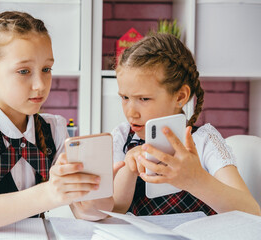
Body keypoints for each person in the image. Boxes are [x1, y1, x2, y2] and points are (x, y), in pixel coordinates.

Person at [0, 11, 111, 231]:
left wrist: (97, 188)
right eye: (23, 71)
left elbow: (87, 212)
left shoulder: (53, 129)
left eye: (46, 69)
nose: (40, 84)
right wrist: (50, 192)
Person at [111, 33, 261, 216]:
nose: (131, 112)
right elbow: (116, 209)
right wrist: (129, 169)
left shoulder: (204, 140)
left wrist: (195, 179)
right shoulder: (122, 138)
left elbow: (252, 211)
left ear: (180, 97)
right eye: (125, 98)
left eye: (144, 98)